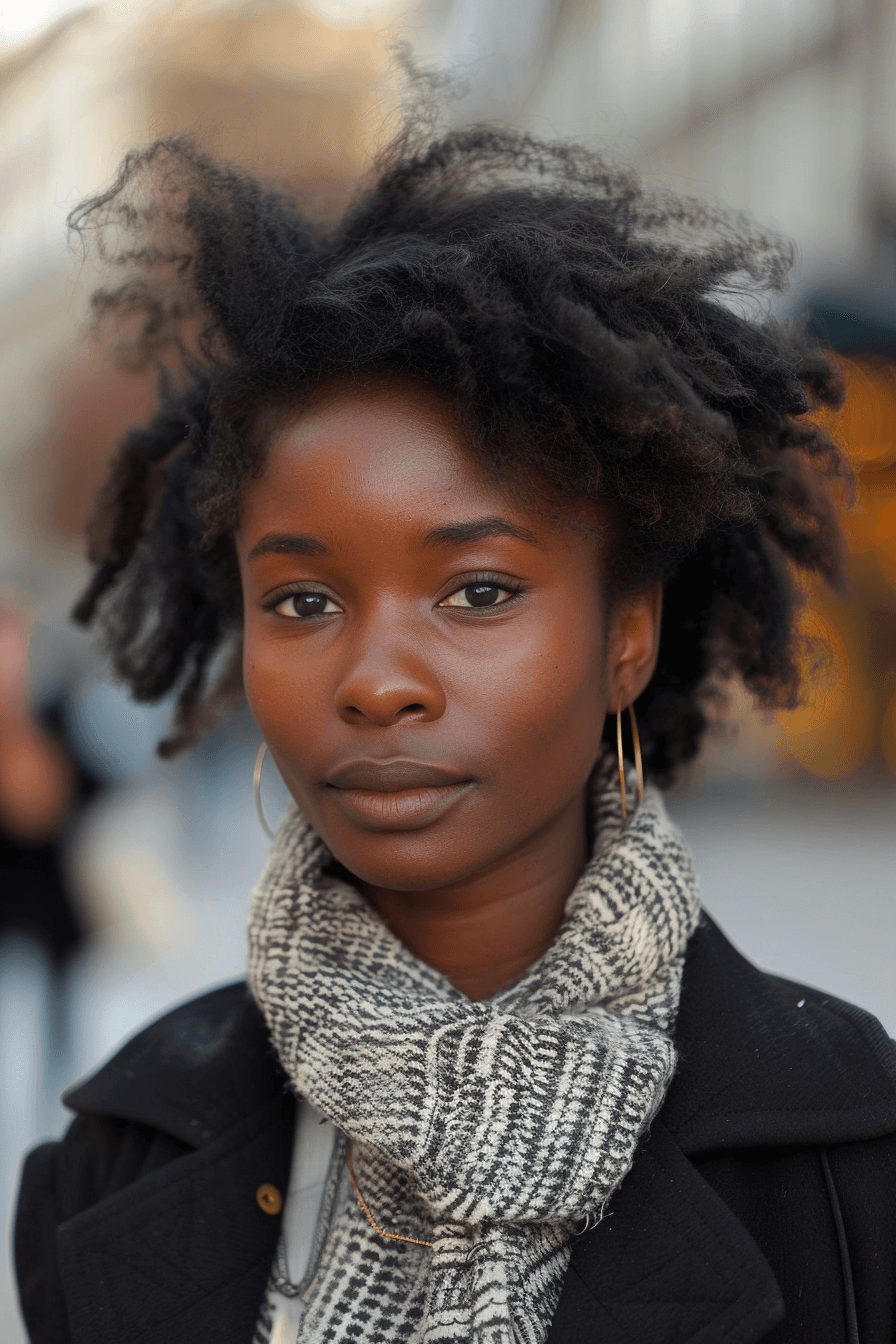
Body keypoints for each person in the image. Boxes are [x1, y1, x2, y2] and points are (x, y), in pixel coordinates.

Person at [13, 108, 896, 1344]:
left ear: (624, 637)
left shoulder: (854, 1158)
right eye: (303, 599)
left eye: (477, 591)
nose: (377, 681)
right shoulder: (113, 1151)